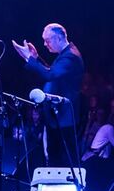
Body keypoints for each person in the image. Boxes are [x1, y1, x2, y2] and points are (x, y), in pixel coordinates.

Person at [13, 23, 84, 166]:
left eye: (47, 40)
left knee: (64, 162)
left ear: (58, 38)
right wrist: (36, 57)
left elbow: (50, 75)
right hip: (57, 118)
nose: (45, 44)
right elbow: (53, 71)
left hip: (64, 119)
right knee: (54, 159)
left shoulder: (71, 56)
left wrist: (30, 59)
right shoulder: (65, 54)